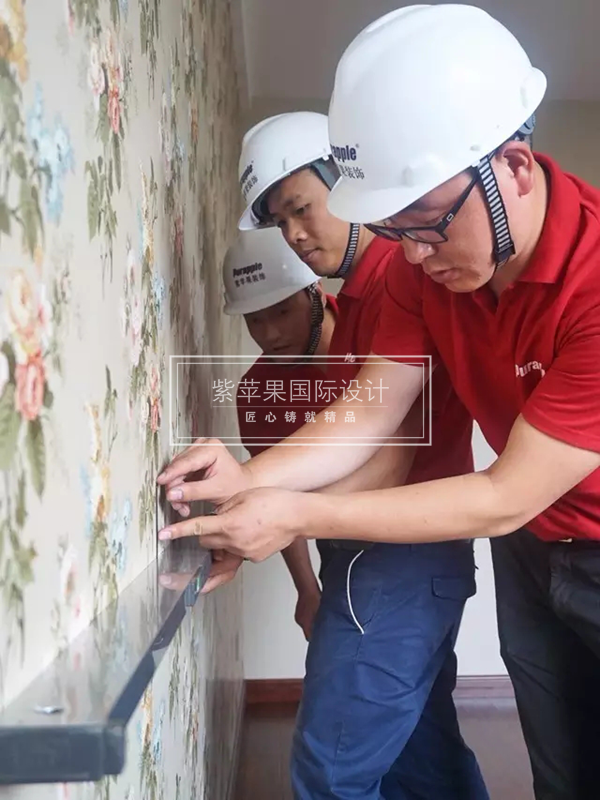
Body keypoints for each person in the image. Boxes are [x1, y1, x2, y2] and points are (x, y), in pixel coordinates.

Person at [158, 5, 600, 798]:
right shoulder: (419, 269)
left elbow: (503, 494)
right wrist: (246, 481)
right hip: (532, 548)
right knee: (560, 767)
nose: (416, 256)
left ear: (514, 167)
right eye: (397, 233)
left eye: (429, 226)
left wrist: (294, 513)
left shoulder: (592, 286)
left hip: (572, 531)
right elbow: (370, 410)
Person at [164, 111, 488, 799]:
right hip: (373, 556)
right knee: (424, 758)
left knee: (331, 772)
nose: (294, 234)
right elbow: (358, 429)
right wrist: (253, 495)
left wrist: (270, 505)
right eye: (279, 222)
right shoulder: (361, 300)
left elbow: (388, 455)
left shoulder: (400, 282)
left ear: (347, 181)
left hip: (397, 559)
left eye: (301, 209)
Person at [223, 226, 338, 639]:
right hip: (340, 544)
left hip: (426, 526)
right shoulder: (259, 394)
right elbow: (275, 495)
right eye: (255, 320)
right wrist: (307, 590)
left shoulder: (378, 337)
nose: (270, 333)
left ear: (315, 292)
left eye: (283, 312)